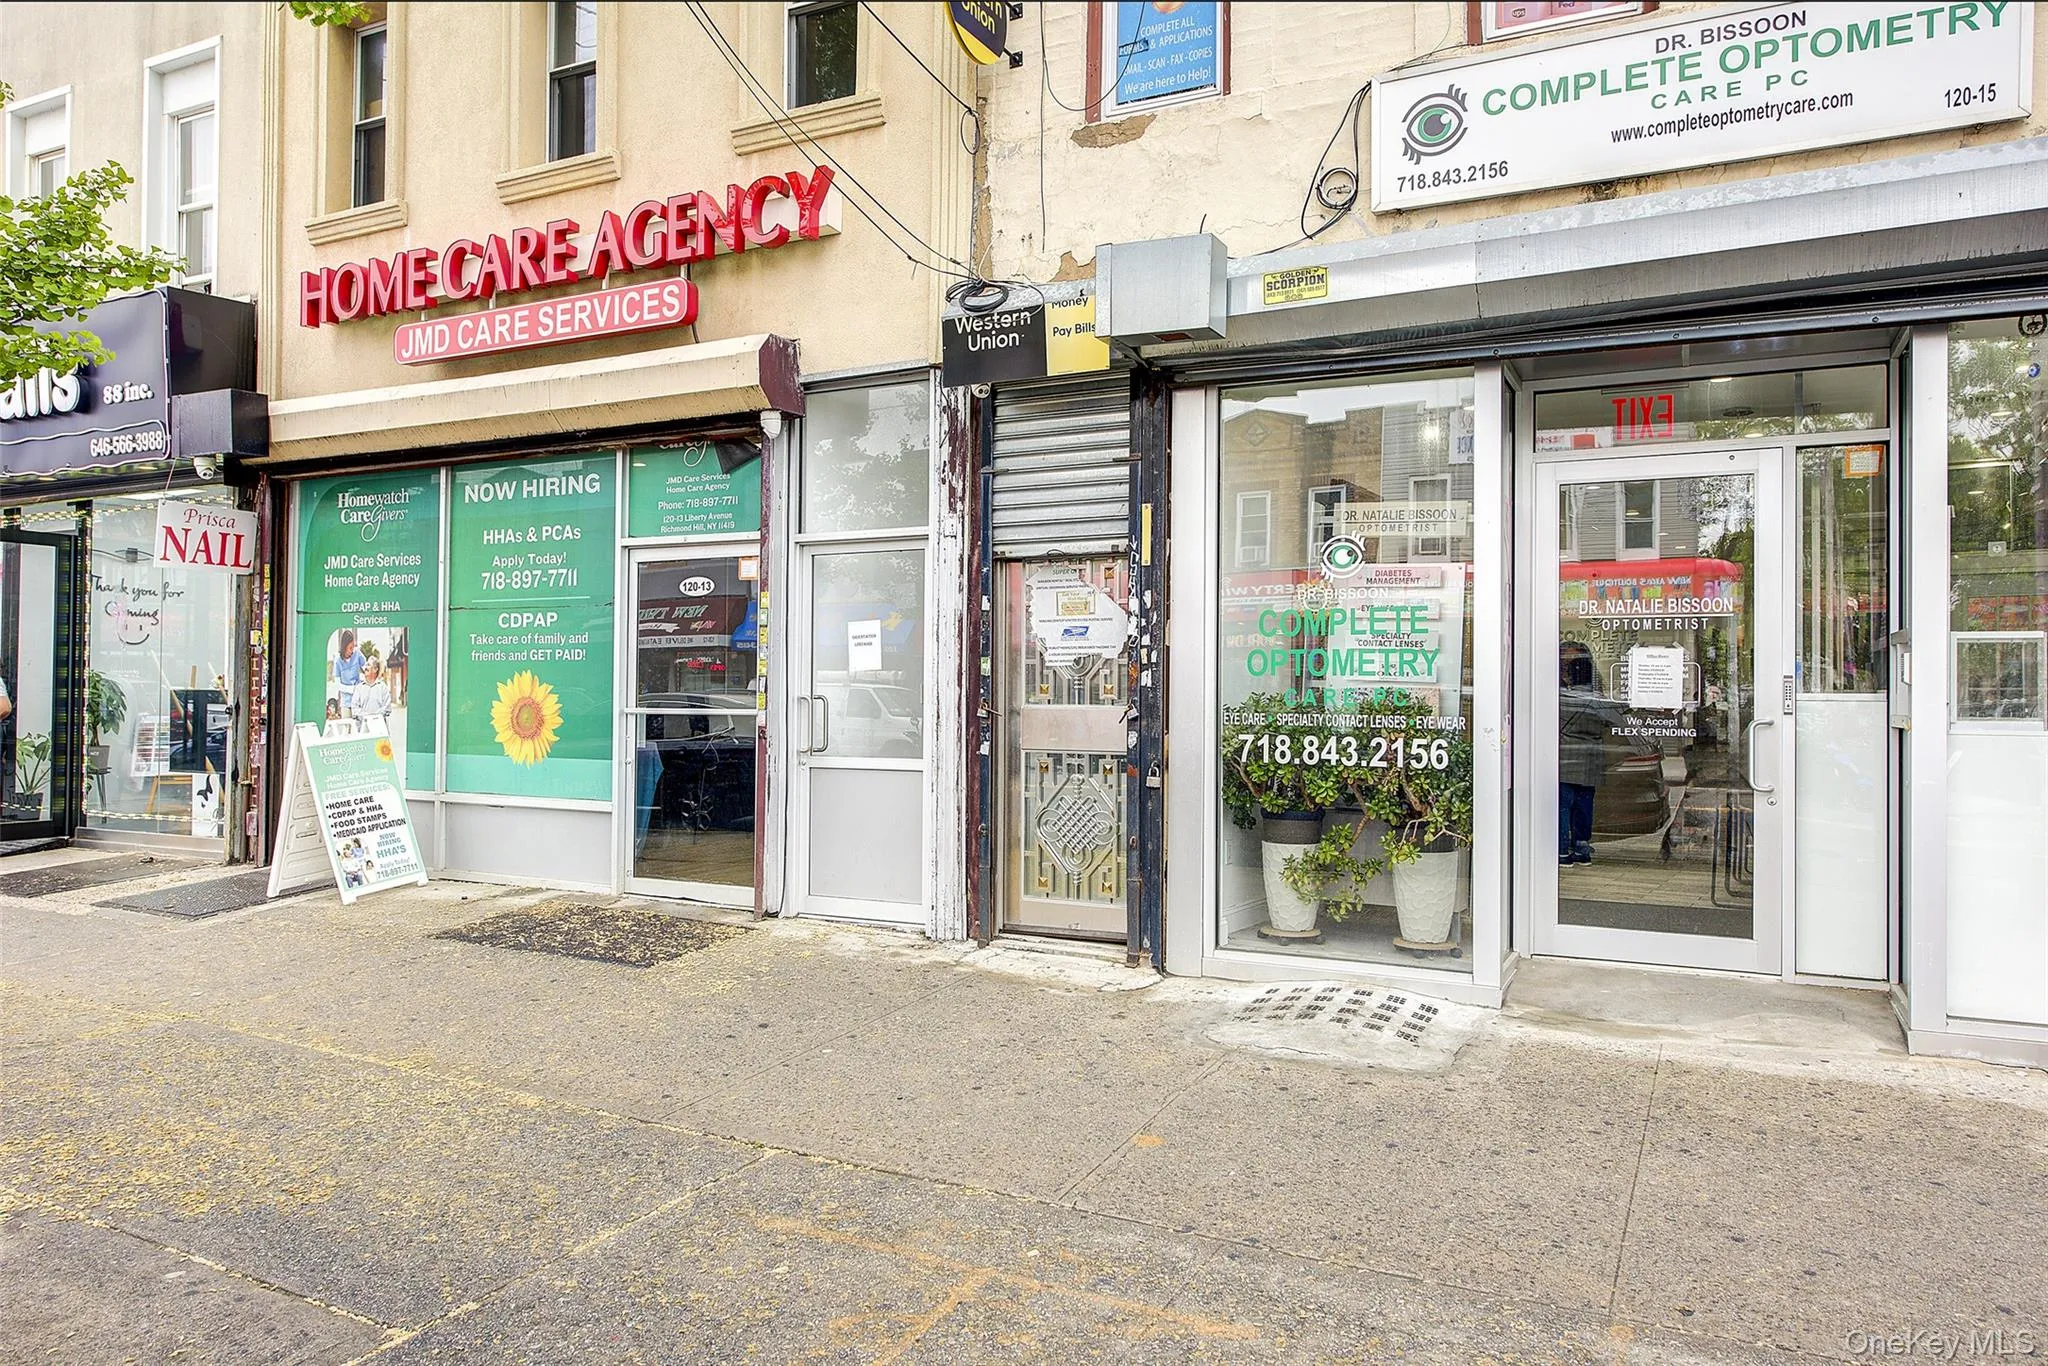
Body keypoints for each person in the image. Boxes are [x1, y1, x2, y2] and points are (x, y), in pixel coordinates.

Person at [1557, 639, 1619, 866]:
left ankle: (1562, 850)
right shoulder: (1595, 690)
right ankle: (1582, 847)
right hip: (1591, 754)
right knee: (1584, 803)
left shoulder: (1558, 692)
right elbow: (1607, 720)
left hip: (1564, 753)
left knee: (1564, 803)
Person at [352, 655, 394, 732]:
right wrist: (366, 717)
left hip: (380, 730)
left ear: (375, 669)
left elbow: (387, 708)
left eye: (368, 664)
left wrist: (374, 718)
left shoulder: (382, 687)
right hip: (363, 731)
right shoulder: (359, 688)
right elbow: (355, 708)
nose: (365, 667)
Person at [334, 629, 363, 715]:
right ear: (344, 647)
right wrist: (352, 689)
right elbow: (337, 685)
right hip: (346, 703)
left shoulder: (357, 654)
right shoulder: (338, 661)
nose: (352, 650)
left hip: (358, 701)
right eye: (350, 648)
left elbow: (366, 670)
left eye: (353, 647)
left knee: (359, 727)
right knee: (347, 727)